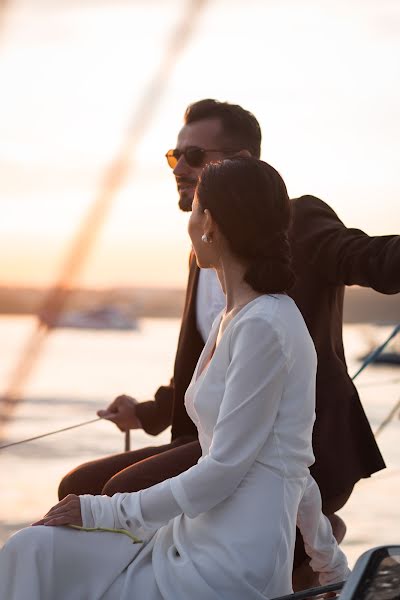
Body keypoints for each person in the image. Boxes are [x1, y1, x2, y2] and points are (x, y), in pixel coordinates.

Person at [58, 99, 399, 587]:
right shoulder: (203, 252)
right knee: (77, 485)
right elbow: (215, 373)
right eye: (175, 158)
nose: (180, 169)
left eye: (195, 156)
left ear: (243, 162)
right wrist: (147, 412)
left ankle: (298, 555)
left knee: (119, 492)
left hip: (297, 449)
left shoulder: (294, 221)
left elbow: (367, 257)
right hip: (212, 440)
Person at [0, 157, 349, 599]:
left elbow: (227, 470)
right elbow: (293, 461)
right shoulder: (235, 317)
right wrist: (330, 563)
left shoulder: (266, 325)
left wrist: (98, 509)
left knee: (48, 554)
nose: (189, 221)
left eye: (196, 209)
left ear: (212, 226)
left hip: (229, 559)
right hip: (189, 537)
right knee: (30, 550)